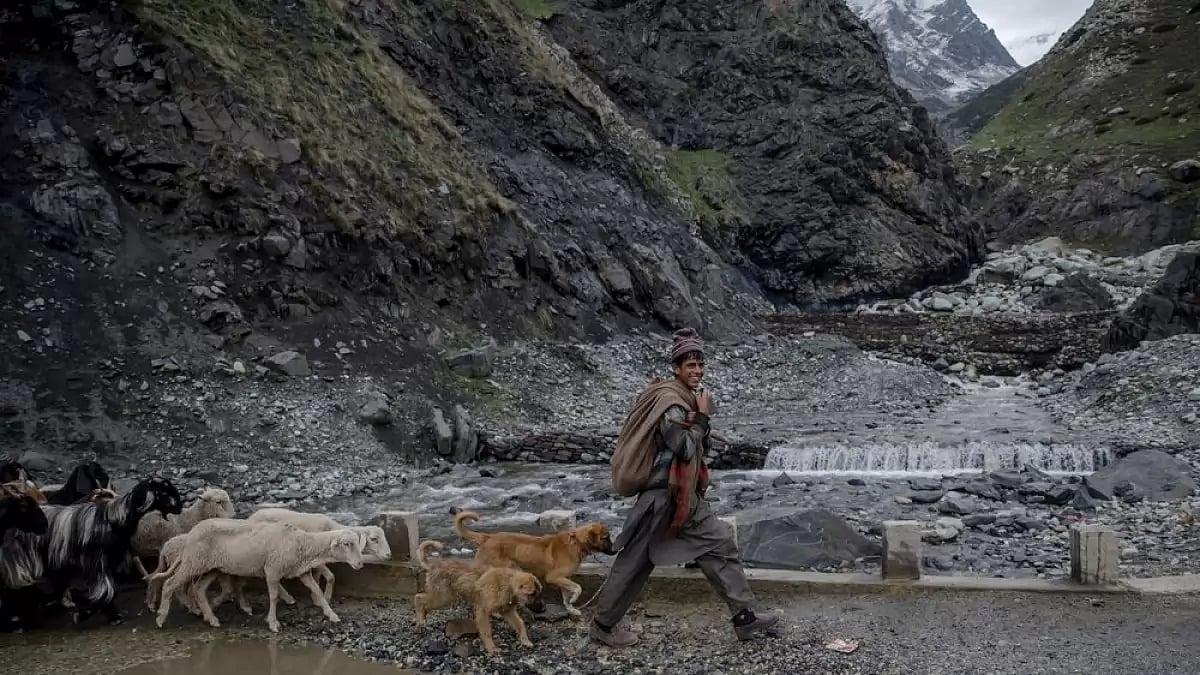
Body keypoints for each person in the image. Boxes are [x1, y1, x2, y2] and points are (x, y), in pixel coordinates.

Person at [590, 328, 778, 647]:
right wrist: (703, 418)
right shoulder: (671, 403)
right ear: (676, 368)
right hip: (663, 497)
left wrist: (701, 420)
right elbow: (684, 449)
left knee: (719, 545)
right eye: (690, 365)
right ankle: (603, 626)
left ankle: (744, 618)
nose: (697, 371)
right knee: (634, 562)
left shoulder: (681, 398)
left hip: (685, 496)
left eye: (700, 365)